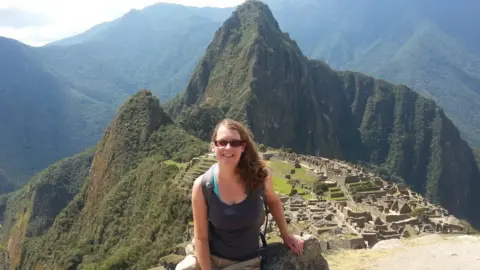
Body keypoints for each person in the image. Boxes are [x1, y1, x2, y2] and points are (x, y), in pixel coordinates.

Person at [176, 119, 304, 270]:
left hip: (247, 263)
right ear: (213, 146)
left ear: (243, 147)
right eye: (222, 142)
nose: (228, 148)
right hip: (211, 258)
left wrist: (286, 235)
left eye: (235, 143)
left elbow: (273, 201)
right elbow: (201, 238)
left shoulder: (259, 177)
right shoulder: (203, 186)